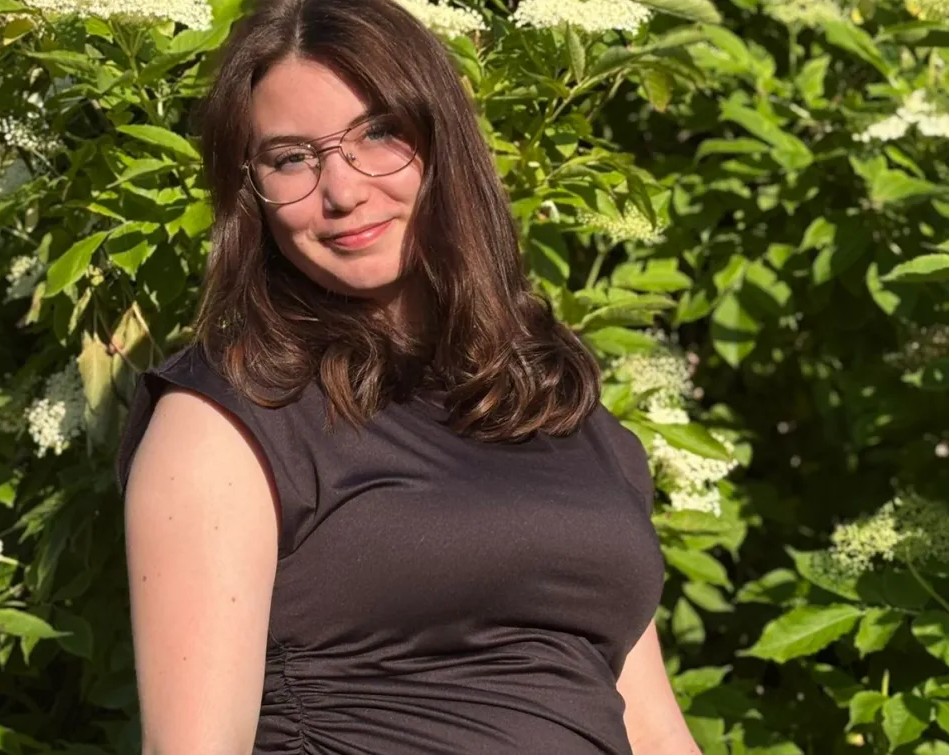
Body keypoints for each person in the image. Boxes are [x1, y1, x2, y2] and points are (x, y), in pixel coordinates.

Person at [114, 0, 702, 752]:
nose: (342, 190)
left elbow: (652, 727)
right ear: (249, 193)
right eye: (291, 159)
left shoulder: (563, 412)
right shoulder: (229, 417)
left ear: (442, 140)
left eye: (378, 133)